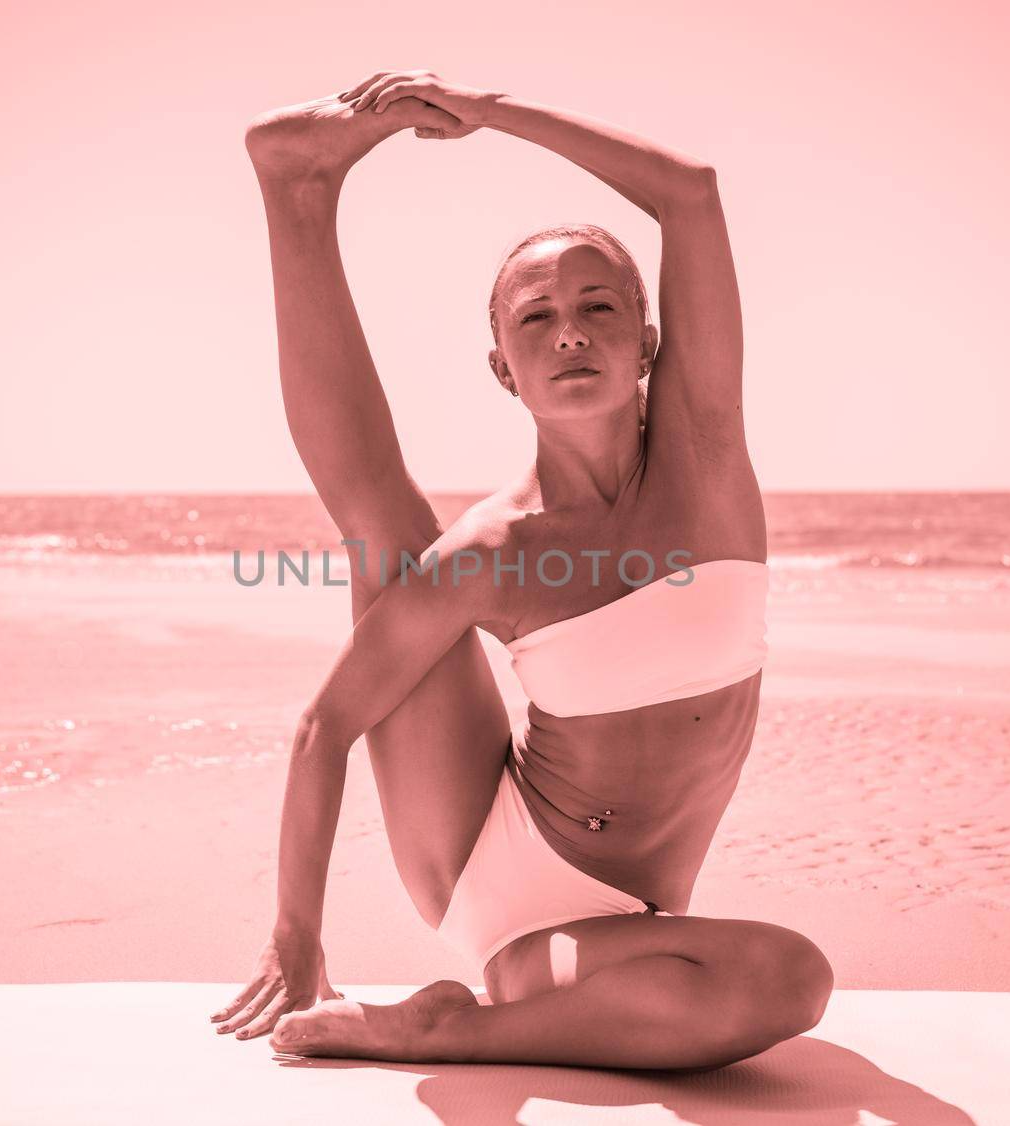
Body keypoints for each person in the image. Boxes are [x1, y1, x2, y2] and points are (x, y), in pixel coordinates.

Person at [214, 70, 833, 1071]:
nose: (570, 332)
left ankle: (464, 1022)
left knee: (776, 984)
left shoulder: (707, 458)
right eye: (534, 320)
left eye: (597, 306)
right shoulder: (494, 554)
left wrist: (490, 115)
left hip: (624, 919)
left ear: (648, 343)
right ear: (504, 368)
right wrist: (298, 932)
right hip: (482, 864)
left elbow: (691, 193)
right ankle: (297, 188)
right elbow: (327, 724)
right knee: (382, 527)